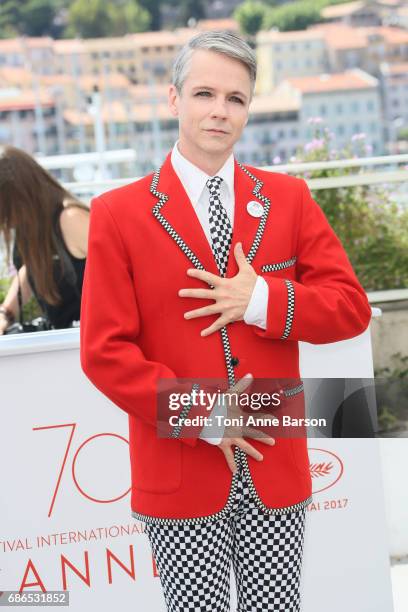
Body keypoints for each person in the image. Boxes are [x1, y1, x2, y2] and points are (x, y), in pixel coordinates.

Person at [79, 31, 372, 612]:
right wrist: (204, 414)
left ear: (248, 109)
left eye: (235, 98)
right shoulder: (117, 214)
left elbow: (350, 307)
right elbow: (104, 352)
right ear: (173, 100)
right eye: (204, 93)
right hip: (181, 469)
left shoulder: (289, 198)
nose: (219, 110)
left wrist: (261, 298)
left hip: (274, 469)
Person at [0, 145, 89, 334]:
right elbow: (32, 267)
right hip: (65, 339)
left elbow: (124, 271)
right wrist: (5, 313)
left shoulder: (71, 219)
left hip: (86, 340)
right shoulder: (32, 224)